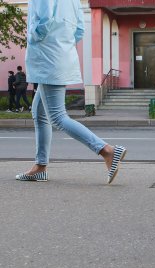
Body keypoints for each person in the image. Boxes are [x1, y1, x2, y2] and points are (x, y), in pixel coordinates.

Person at [15, 0, 126, 184]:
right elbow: (80, 29)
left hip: (47, 59)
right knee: (39, 113)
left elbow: (43, 21)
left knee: (58, 117)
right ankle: (40, 167)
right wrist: (61, 46)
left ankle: (107, 150)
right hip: (60, 57)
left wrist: (34, 38)